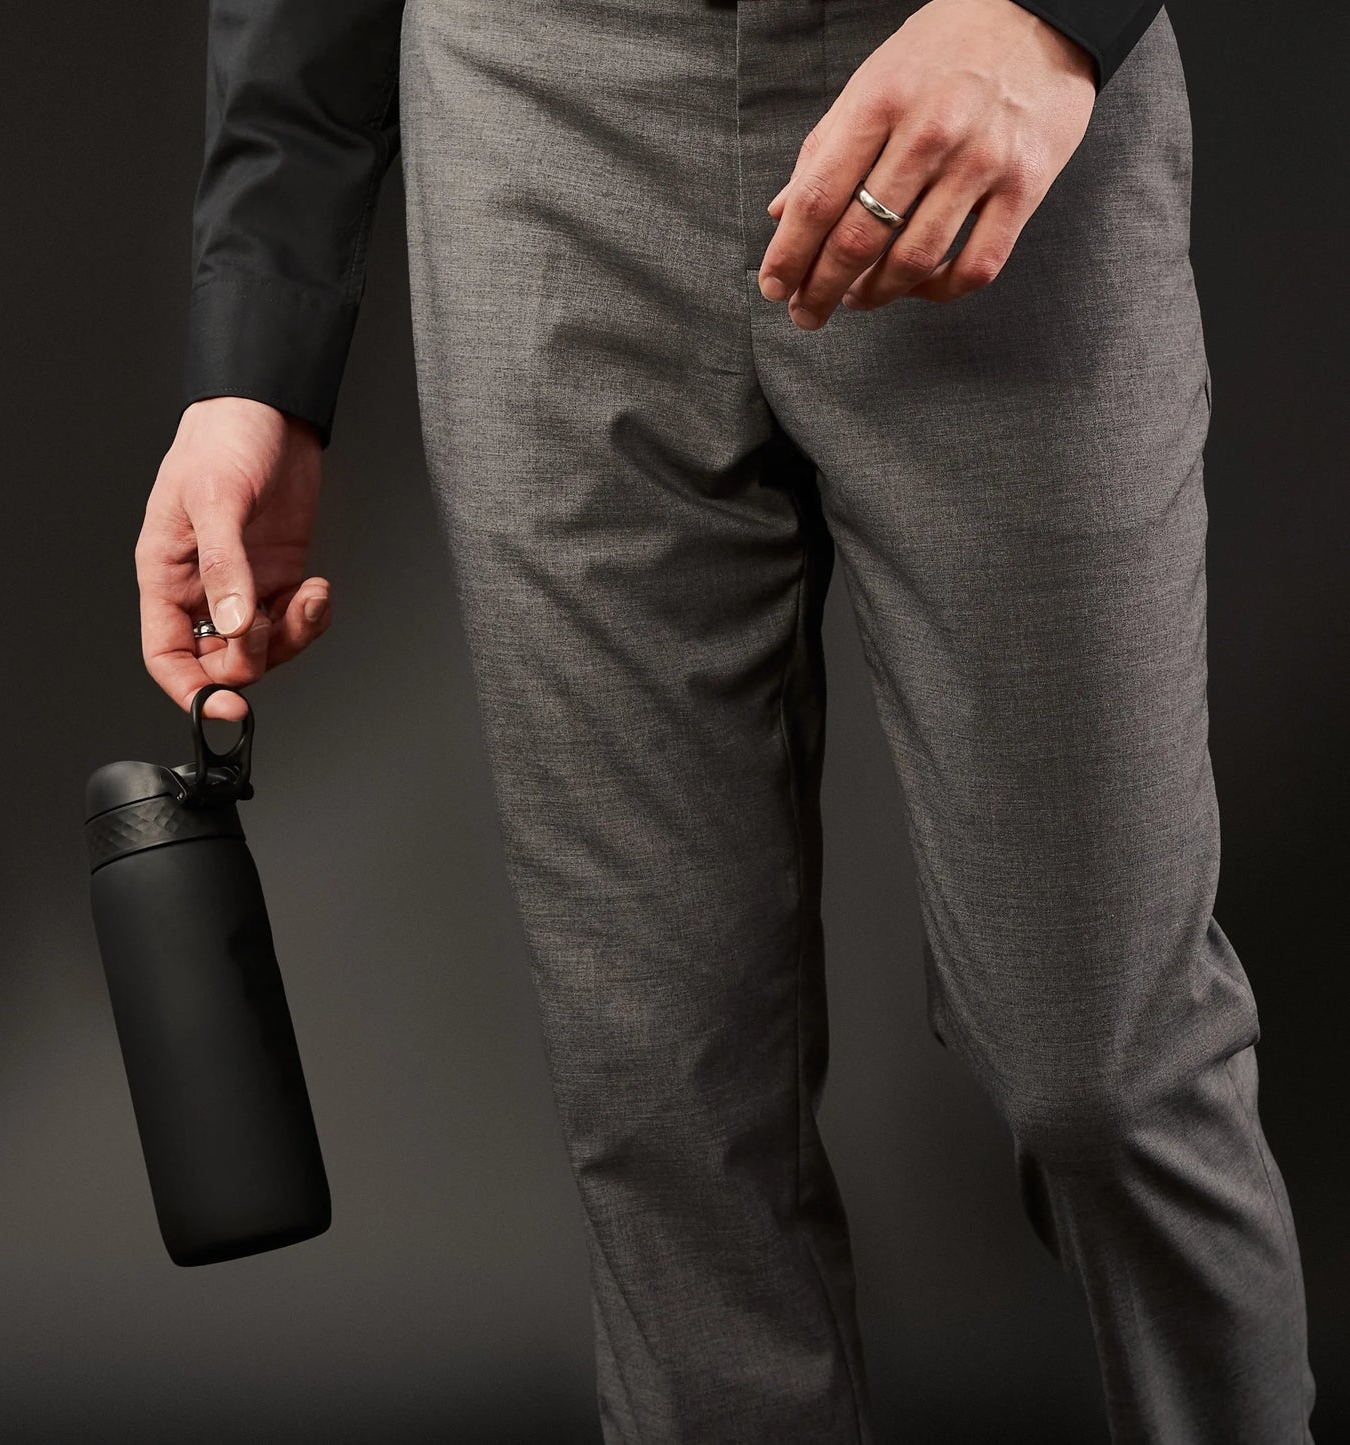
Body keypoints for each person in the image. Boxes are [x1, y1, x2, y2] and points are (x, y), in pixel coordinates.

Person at [135, 1, 1318, 1439]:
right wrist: (255, 346)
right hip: (538, 119)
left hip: (959, 74)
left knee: (1103, 1065)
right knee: (662, 1101)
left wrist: (1044, 19)